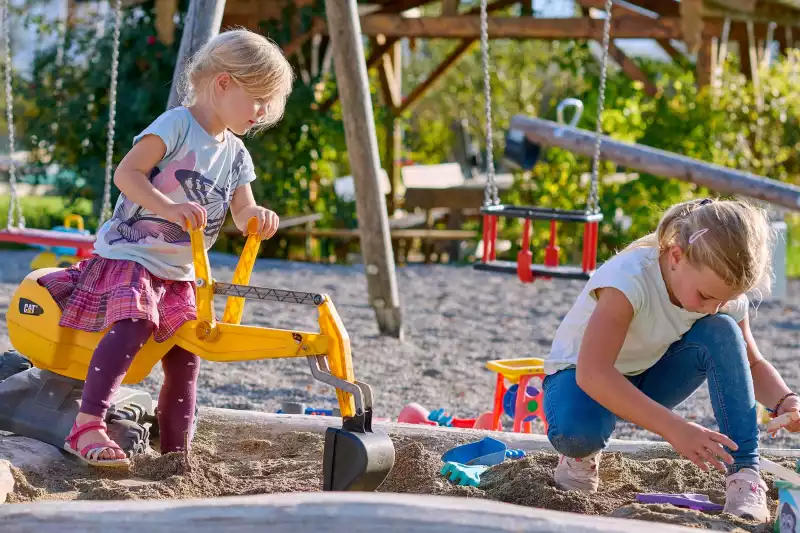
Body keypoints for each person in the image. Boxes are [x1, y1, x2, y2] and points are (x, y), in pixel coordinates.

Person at [38, 29, 294, 467]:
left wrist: (258, 218)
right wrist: (169, 206)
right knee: (136, 321)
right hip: (131, 255)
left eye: (269, 103)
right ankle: (87, 424)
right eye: (259, 98)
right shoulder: (176, 125)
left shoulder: (235, 155)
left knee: (186, 354)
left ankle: (176, 451)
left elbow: (242, 210)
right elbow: (128, 175)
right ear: (224, 82)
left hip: (178, 271)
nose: (264, 111)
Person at [542, 198, 800, 522]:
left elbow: (751, 364)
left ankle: (745, 475)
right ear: (676, 256)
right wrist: (675, 429)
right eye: (706, 296)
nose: (712, 307)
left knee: (722, 330)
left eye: (725, 300)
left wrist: (786, 401)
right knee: (578, 433)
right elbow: (593, 373)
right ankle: (579, 458)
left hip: (650, 374)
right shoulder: (629, 279)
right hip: (581, 378)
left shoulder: (719, 297)